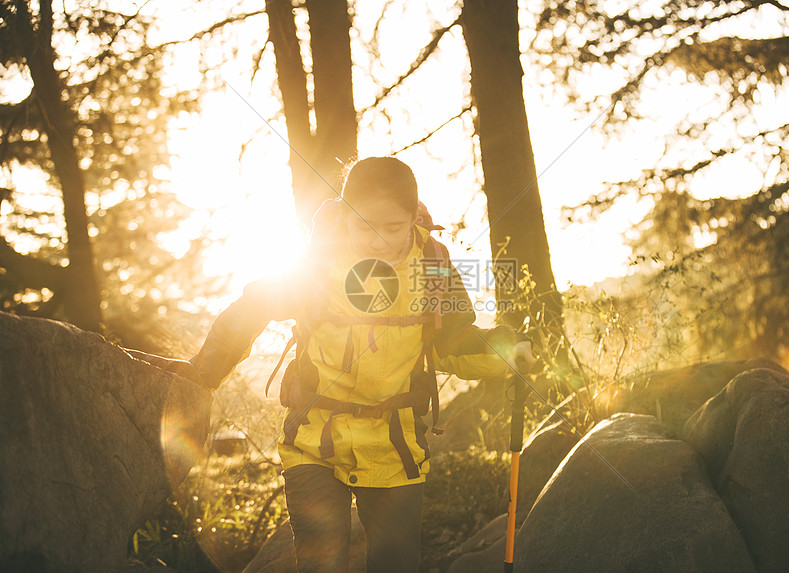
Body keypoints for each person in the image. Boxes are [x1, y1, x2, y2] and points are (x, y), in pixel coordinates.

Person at [188, 157, 535, 573]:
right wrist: (202, 376)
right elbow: (253, 308)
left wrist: (510, 350)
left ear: (413, 218)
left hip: (395, 448)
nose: (378, 241)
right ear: (345, 216)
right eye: (363, 226)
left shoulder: (430, 268)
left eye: (392, 228)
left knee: (396, 564)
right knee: (321, 562)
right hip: (314, 440)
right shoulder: (318, 266)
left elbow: (454, 345)